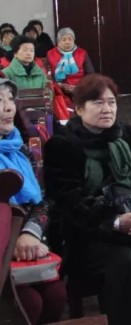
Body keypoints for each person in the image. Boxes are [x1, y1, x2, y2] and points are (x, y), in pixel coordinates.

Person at [44, 74, 131, 324]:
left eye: (111, 102)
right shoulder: (62, 145)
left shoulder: (125, 135)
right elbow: (69, 201)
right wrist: (116, 222)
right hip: (88, 233)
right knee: (123, 261)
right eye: (98, 103)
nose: (107, 109)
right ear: (79, 108)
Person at [0, 78, 67, 325]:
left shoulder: (20, 149)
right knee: (30, 304)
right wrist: (13, 242)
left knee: (57, 296)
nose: (8, 107)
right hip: (2, 248)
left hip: (28, 243)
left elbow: (42, 200)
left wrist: (31, 233)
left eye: (9, 100)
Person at [46, 28, 94, 94]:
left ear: (74, 40)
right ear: (58, 41)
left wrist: (78, 87)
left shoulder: (82, 53)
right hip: (58, 91)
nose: (67, 42)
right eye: (64, 39)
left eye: (70, 39)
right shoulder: (50, 54)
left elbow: (90, 74)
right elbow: (47, 75)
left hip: (80, 90)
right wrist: (59, 85)